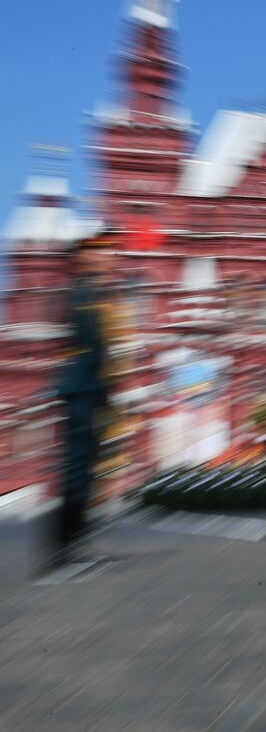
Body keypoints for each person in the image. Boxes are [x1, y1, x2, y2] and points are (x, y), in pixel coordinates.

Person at [49, 233, 117, 567]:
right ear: (86, 258)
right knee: (78, 467)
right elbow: (93, 346)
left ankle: (73, 542)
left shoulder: (91, 291)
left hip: (89, 388)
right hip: (84, 388)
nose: (109, 257)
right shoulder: (85, 292)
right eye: (103, 252)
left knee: (86, 466)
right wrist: (106, 383)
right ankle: (67, 547)